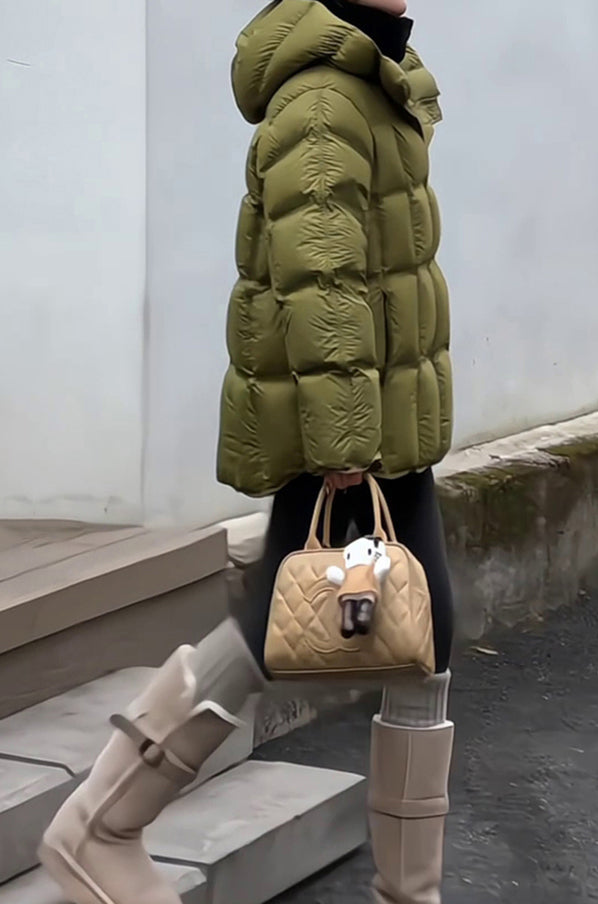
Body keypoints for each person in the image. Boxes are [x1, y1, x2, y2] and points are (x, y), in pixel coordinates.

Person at [39, 1, 455, 902]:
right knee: (281, 622)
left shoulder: (375, 78)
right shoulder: (320, 101)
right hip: (351, 428)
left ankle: (408, 892)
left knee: (429, 637)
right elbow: (323, 278)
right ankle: (97, 829)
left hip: (389, 417)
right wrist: (347, 441)